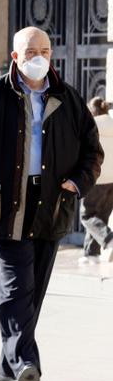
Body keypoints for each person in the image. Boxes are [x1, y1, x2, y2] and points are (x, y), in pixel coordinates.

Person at [0, 27, 104, 381]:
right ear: (15, 57)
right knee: (16, 288)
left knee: (33, 291)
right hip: (5, 206)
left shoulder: (68, 99)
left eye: (45, 50)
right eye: (30, 50)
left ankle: (8, 367)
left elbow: (93, 152)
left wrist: (77, 182)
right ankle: (26, 363)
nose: (39, 56)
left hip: (52, 203)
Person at [79, 97, 113, 263]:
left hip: (96, 178)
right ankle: (91, 254)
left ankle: (109, 239)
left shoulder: (91, 126)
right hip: (112, 180)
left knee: (87, 216)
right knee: (101, 215)